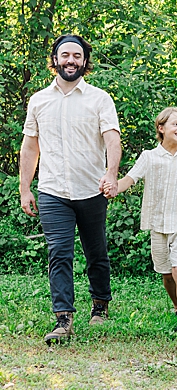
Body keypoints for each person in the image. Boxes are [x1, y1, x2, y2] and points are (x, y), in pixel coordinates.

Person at [19, 34, 121, 345]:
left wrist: (111, 173)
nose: (71, 61)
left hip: (92, 189)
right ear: (55, 59)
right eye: (65, 55)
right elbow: (30, 147)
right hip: (52, 191)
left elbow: (112, 139)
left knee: (96, 252)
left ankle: (100, 306)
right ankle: (63, 319)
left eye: (77, 56)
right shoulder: (39, 100)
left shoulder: (99, 98)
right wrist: (25, 188)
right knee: (59, 253)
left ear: (85, 61)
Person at [103, 107, 177, 333]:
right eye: (176, 124)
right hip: (158, 222)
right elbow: (130, 179)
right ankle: (176, 305)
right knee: (166, 273)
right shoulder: (149, 157)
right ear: (161, 128)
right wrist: (113, 188)